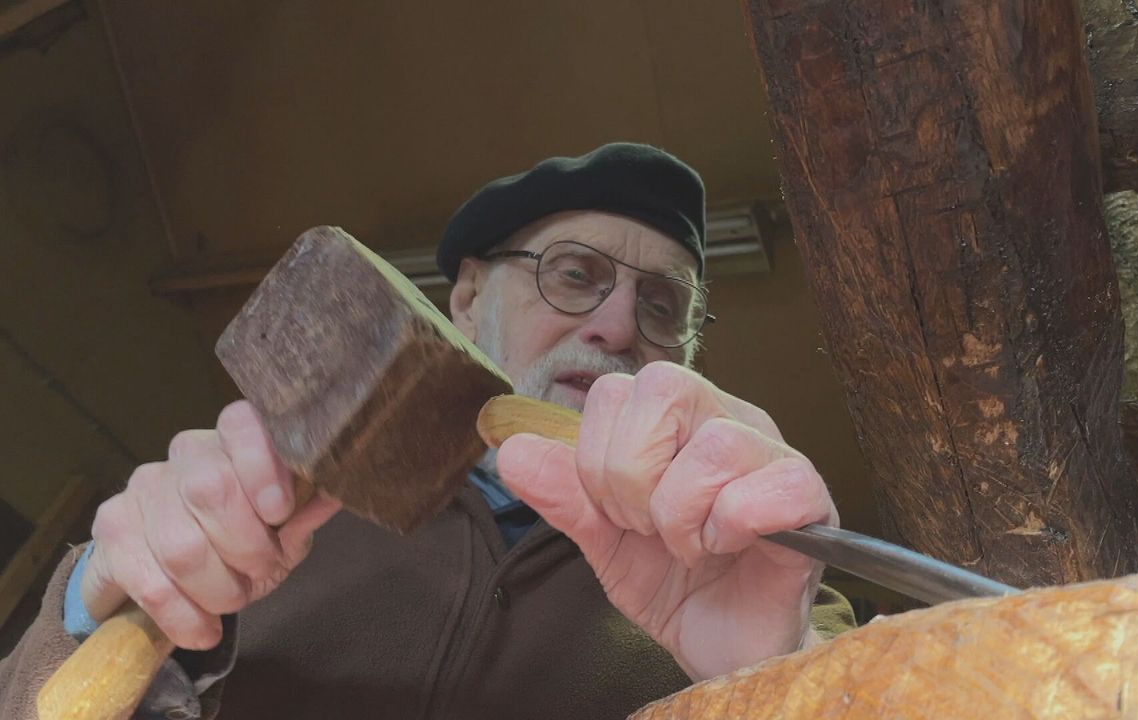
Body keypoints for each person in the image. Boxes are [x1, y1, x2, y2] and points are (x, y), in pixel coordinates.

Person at [1, 142, 853, 719]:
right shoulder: (244, 515)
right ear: (469, 298)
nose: (620, 323)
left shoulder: (760, 574)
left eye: (663, 305)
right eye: (574, 274)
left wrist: (787, 677)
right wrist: (89, 609)